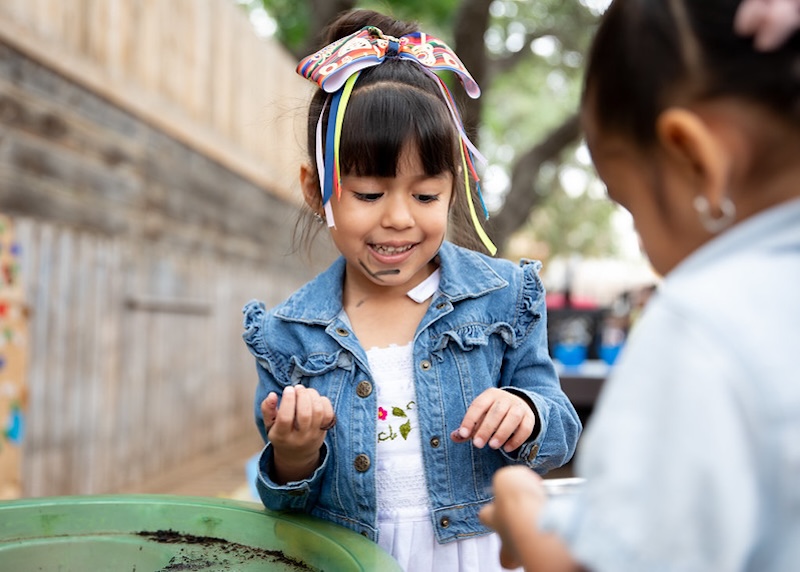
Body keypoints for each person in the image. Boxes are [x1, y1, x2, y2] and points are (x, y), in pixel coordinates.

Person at [241, 9, 581, 571]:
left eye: (424, 196)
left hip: (479, 554)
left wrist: (526, 410)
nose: (399, 218)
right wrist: (294, 454)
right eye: (370, 194)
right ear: (316, 189)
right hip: (350, 557)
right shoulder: (288, 335)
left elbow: (561, 426)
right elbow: (283, 496)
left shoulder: (503, 298)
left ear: (455, 187)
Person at [478, 0, 800, 570]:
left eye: (628, 206)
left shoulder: (701, 328)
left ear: (695, 159)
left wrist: (523, 511)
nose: (643, 244)